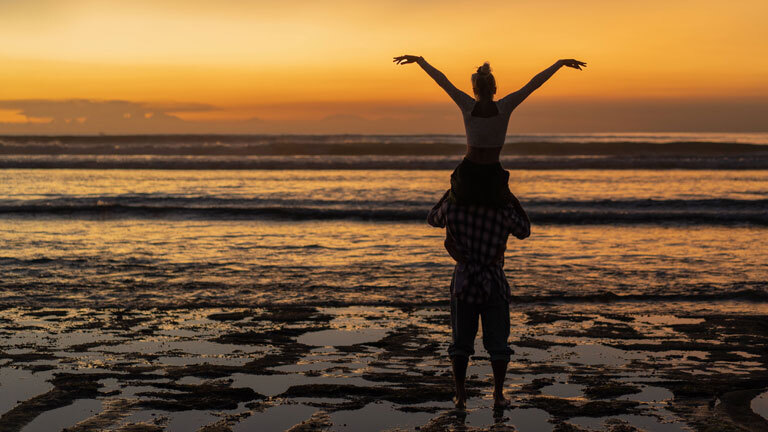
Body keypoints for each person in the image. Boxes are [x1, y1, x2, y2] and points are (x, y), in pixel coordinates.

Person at [393, 55, 586, 207]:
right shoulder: (505, 106)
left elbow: (442, 81)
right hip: (491, 174)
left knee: (447, 205)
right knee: (514, 212)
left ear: (474, 88)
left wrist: (420, 61)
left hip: (469, 173)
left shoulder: (467, 105)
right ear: (494, 87)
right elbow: (533, 84)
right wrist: (559, 63)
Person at [427, 187, 530, 410]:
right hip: (493, 280)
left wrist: (449, 192)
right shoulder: (503, 210)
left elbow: (432, 217)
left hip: (464, 280)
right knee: (498, 343)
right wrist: (511, 197)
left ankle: (461, 395)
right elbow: (525, 230)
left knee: (461, 342)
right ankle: (498, 395)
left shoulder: (452, 207)